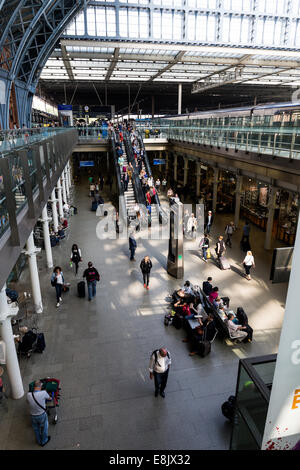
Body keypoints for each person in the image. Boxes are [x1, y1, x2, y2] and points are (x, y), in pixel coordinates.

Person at [27, 380, 52, 446]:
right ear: (40, 386)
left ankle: (38, 440)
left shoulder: (28, 395)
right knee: (44, 427)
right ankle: (44, 441)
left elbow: (28, 402)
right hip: (42, 415)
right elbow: (50, 399)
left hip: (32, 416)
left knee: (36, 428)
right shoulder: (43, 393)